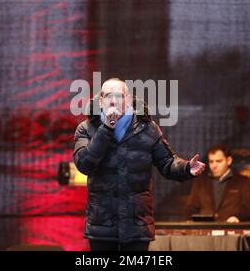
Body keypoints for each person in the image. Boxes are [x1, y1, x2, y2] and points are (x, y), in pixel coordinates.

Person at [73, 78, 206, 251]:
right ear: (100, 101)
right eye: (107, 96)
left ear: (128, 99)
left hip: (137, 223)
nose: (113, 101)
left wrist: (186, 168)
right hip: (102, 225)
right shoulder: (86, 128)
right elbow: (84, 164)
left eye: (118, 96)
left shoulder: (148, 128)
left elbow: (167, 162)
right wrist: (106, 129)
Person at [185, 144, 250, 223]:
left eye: (218, 161)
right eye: (211, 162)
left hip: (231, 229)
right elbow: (191, 208)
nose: (214, 165)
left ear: (229, 160)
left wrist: (237, 217)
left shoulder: (243, 182)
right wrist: (192, 219)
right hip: (206, 230)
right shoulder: (200, 182)